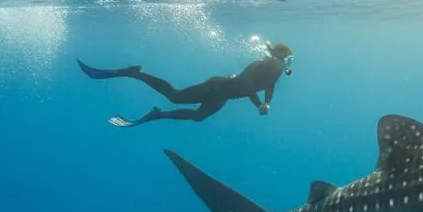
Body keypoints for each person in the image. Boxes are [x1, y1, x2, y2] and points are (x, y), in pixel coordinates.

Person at [78, 40, 294, 127]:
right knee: (175, 96)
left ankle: (157, 114)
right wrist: (259, 103)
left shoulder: (274, 73)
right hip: (217, 88)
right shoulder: (262, 64)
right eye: (286, 59)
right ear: (279, 57)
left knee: (198, 116)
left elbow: (268, 88)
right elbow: (247, 85)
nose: (286, 64)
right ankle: (136, 74)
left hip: (223, 95)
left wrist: (265, 103)